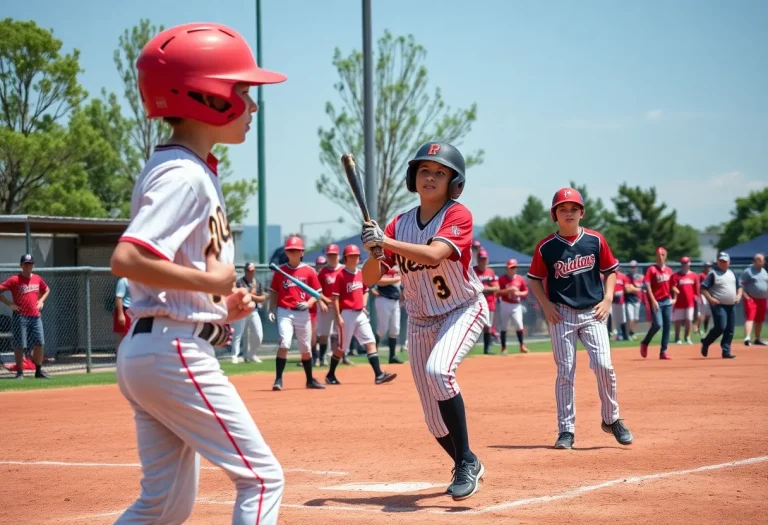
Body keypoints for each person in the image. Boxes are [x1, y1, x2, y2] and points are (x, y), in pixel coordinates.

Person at [108, 23, 287, 525]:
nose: (252, 106)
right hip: (173, 351)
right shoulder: (183, 174)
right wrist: (211, 283)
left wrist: (218, 308)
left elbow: (166, 276)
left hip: (158, 346)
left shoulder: (186, 167)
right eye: (242, 91)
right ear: (206, 95)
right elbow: (127, 259)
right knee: (262, 479)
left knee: (164, 506)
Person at [361, 141, 489, 501]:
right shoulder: (398, 224)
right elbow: (370, 278)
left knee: (439, 371)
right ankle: (467, 460)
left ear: (454, 183)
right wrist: (374, 251)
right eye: (424, 170)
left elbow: (434, 255)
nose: (430, 177)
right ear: (413, 178)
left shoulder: (457, 215)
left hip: (461, 308)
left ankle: (465, 462)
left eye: (440, 172)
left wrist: (386, 241)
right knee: (434, 420)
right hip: (419, 320)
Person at [527, 188, 633, 450]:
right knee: (565, 372)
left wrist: (608, 298)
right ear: (554, 215)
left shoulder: (595, 240)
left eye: (574, 208)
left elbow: (610, 271)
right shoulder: (546, 246)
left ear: (582, 212)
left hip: (593, 312)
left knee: (604, 365)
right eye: (563, 209)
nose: (569, 213)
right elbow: (534, 280)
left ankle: (611, 419)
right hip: (561, 314)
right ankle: (566, 430)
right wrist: (546, 305)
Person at [325, 244, 397, 385]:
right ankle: (330, 374)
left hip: (360, 314)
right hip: (346, 314)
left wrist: (363, 304)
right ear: (345, 258)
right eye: (351, 256)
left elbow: (365, 291)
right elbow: (336, 298)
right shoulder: (340, 275)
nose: (354, 258)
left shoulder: (360, 273)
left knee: (370, 342)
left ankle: (379, 375)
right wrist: (338, 316)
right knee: (342, 348)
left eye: (356, 256)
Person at [268, 236, 327, 391]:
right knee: (284, 343)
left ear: (302, 252)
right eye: (290, 250)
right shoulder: (280, 271)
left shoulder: (309, 271)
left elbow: (317, 294)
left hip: (303, 312)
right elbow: (273, 291)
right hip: (285, 311)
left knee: (305, 348)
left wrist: (308, 303)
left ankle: (309, 380)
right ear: (286, 253)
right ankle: (278, 380)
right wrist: (271, 309)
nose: (293, 253)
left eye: (296, 250)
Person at [0, 254, 51, 379]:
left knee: (39, 343)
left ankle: (38, 371)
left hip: (35, 316)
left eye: (30, 264)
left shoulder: (37, 278)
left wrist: (41, 301)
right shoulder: (15, 280)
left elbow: (46, 289)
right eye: (26, 264)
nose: (28, 266)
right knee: (20, 344)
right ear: (21, 265)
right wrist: (10, 304)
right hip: (20, 316)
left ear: (33, 265)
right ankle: (20, 372)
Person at [700, 252, 742, 359]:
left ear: (729, 262)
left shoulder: (732, 273)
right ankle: (706, 342)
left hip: (731, 305)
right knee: (721, 326)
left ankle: (726, 351)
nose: (723, 263)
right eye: (721, 261)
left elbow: (739, 287)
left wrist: (738, 296)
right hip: (718, 305)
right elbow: (703, 288)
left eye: (725, 261)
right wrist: (710, 299)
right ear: (718, 262)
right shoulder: (713, 274)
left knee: (730, 329)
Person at [640, 247, 674, 360]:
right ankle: (645, 342)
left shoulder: (669, 270)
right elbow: (647, 285)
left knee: (667, 326)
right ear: (656, 256)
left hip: (667, 301)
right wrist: (653, 300)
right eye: (658, 254)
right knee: (658, 324)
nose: (660, 257)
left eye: (663, 254)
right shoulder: (652, 269)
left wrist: (674, 298)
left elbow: (673, 286)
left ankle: (663, 351)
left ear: (666, 256)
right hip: (656, 301)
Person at [231, 262, 265, 364]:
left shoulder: (257, 283)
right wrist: (252, 295)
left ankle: (251, 354)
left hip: (254, 311)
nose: (251, 273)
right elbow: (242, 296)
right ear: (245, 271)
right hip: (241, 310)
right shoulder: (240, 282)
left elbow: (262, 298)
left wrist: (251, 296)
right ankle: (234, 356)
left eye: (253, 271)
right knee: (238, 334)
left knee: (259, 335)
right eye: (249, 271)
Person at [371, 262, 405, 364]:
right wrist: (396, 279)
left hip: (395, 300)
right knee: (382, 329)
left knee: (395, 329)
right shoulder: (383, 265)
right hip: (383, 299)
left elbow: (401, 284)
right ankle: (373, 353)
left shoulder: (398, 265)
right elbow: (379, 281)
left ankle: (392, 356)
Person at [497, 258, 529, 354]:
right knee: (504, 326)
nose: (513, 269)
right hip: (505, 303)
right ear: (507, 268)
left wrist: (519, 293)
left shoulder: (520, 278)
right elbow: (497, 293)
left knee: (519, 324)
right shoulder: (502, 279)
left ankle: (522, 346)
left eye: (514, 267)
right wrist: (508, 290)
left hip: (516, 305)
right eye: (511, 267)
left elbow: (526, 291)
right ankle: (503, 347)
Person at [473, 249, 500, 354]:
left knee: (488, 326)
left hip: (489, 302)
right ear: (477, 259)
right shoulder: (472, 271)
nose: (483, 261)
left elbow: (496, 287)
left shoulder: (490, 272)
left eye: (484, 259)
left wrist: (483, 288)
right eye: (481, 259)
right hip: (475, 302)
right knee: (472, 325)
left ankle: (487, 349)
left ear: (487, 260)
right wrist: (487, 288)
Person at [670, 256, 699, 345]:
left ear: (689, 264)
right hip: (679, 303)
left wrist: (697, 298)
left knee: (688, 320)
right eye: (683, 263)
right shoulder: (675, 276)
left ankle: (687, 337)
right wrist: (675, 291)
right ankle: (677, 337)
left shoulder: (694, 275)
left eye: (686, 263)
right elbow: (672, 287)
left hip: (690, 303)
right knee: (678, 321)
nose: (685, 265)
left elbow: (696, 290)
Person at [740, 253, 767, 346]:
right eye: (761, 260)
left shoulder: (764, 271)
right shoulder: (748, 271)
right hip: (752, 299)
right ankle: (747, 338)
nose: (763, 262)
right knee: (750, 317)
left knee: (760, 319)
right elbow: (740, 284)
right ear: (755, 261)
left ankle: (757, 339)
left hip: (763, 299)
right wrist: (746, 296)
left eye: (763, 260)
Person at [624, 260, 645, 339]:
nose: (633, 268)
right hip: (629, 300)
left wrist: (633, 288)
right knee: (630, 317)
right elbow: (627, 290)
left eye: (634, 267)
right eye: (632, 267)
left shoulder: (640, 277)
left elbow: (643, 287)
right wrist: (636, 288)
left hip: (637, 300)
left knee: (636, 318)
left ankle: (631, 332)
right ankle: (630, 333)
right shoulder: (627, 277)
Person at [114, 276, 133, 349]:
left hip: (134, 311)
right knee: (123, 335)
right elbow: (119, 298)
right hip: (125, 310)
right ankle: (120, 354)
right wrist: (121, 314)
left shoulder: (137, 280)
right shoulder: (123, 281)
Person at [695, 261, 713, 335]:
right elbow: (698, 286)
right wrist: (699, 296)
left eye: (709, 266)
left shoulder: (711, 275)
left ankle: (706, 330)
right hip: (702, 295)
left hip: (710, 295)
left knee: (708, 314)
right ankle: (697, 329)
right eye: (707, 266)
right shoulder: (701, 275)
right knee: (701, 313)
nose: (708, 268)